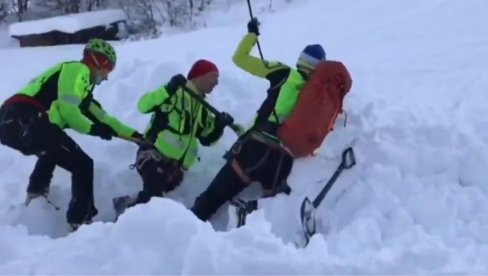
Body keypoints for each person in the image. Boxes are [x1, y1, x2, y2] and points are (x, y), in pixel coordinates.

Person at [190, 17, 328, 225]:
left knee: (213, 196)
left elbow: (240, 58)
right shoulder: (317, 96)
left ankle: (186, 229)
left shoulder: (283, 72)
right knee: (271, 212)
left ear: (300, 60)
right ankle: (253, 212)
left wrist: (252, 35)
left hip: (255, 148)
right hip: (281, 161)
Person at [0, 38, 142, 231]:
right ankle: (80, 221)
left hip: (15, 126)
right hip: (23, 118)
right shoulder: (77, 70)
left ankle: (35, 197)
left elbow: (106, 120)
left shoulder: (82, 94)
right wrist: (93, 129)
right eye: (108, 71)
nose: (106, 78)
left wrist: (136, 136)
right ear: (98, 62)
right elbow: (69, 111)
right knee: (83, 164)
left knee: (52, 149)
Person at [112, 59, 235, 217]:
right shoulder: (175, 92)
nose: (216, 83)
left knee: (153, 199)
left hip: (175, 170)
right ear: (200, 76)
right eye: (213, 77)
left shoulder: (203, 109)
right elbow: (143, 106)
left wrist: (219, 126)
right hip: (153, 156)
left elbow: (207, 139)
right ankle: (129, 222)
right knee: (154, 198)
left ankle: (127, 205)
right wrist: (168, 89)